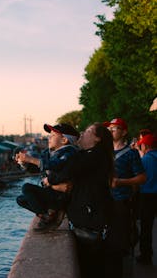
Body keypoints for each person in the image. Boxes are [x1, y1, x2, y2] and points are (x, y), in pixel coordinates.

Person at [62, 123, 115, 278]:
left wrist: (68, 148)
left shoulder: (95, 156)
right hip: (89, 220)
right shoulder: (92, 155)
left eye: (87, 131)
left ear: (97, 138)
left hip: (90, 222)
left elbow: (67, 170)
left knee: (91, 268)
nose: (82, 133)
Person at [15, 123, 79, 231]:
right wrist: (24, 163)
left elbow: (55, 164)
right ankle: (50, 213)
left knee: (26, 187)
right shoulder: (48, 153)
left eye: (53, 135)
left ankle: (47, 216)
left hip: (60, 195)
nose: (49, 138)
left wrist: (30, 159)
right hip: (51, 193)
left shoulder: (70, 152)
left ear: (64, 140)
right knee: (21, 199)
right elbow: (38, 168)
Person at [103, 118, 146, 276]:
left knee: (120, 243)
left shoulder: (131, 153)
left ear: (124, 132)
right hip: (104, 202)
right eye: (109, 129)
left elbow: (142, 178)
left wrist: (121, 182)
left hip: (122, 202)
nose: (111, 131)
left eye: (115, 128)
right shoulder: (104, 152)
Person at [135, 133, 157, 265]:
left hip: (147, 196)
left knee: (146, 228)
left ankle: (146, 256)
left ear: (145, 145)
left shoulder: (145, 160)